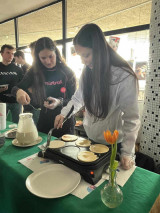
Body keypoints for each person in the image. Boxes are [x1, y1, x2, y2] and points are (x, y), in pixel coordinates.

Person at [54, 24, 140, 170]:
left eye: (86, 55)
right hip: (91, 139)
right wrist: (63, 114)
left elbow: (131, 119)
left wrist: (127, 152)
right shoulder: (87, 72)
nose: (83, 61)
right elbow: (78, 98)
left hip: (114, 144)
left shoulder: (124, 76)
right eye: (80, 55)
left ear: (100, 50)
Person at [12, 37, 76, 137]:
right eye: (43, 58)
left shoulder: (67, 72)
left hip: (65, 120)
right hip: (44, 121)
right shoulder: (34, 71)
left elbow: (74, 100)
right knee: (43, 151)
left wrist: (59, 102)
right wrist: (18, 91)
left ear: (56, 53)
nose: (48, 61)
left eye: (51, 56)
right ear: (38, 57)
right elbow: (15, 88)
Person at [0, 44, 23, 123]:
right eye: (8, 53)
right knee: (1, 123)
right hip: (1, 101)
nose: (11, 55)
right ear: (2, 54)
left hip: (16, 102)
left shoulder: (18, 69)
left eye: (12, 53)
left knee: (18, 125)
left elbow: (22, 84)